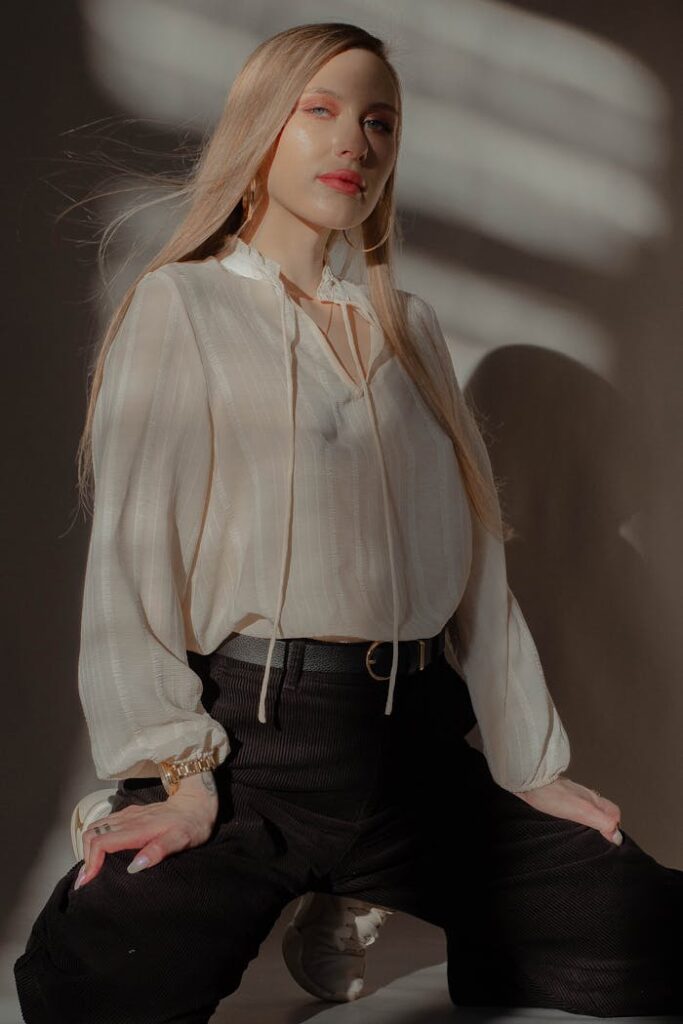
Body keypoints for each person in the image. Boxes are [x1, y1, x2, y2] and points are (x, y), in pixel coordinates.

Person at [14, 21, 682, 1024]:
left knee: (648, 936)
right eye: (318, 112)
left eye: (378, 122)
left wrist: (527, 768)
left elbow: (475, 570)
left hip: (409, 744)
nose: (353, 144)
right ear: (261, 132)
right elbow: (131, 565)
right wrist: (182, 776)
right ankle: (290, 878)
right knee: (91, 988)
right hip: (254, 747)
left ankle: (372, 892)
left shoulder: (406, 328)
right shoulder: (180, 308)